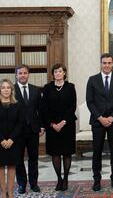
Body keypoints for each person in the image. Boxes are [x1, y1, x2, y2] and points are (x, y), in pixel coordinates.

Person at [86, 53, 113, 191]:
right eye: (104, 63)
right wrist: (100, 118)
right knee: (97, 151)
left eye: (109, 63)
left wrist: (112, 117)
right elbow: (89, 102)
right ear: (101, 64)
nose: (107, 65)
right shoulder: (92, 80)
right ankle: (97, 180)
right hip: (98, 122)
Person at [42, 63, 77, 191]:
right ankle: (59, 179)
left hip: (67, 125)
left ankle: (66, 178)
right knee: (55, 154)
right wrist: (52, 124)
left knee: (67, 153)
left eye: (60, 71)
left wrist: (63, 122)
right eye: (55, 71)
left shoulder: (70, 87)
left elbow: (72, 106)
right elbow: (44, 108)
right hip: (52, 126)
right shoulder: (47, 88)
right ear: (53, 74)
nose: (58, 73)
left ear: (64, 73)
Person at [0, 79, 23, 198]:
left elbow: (20, 123)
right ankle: (3, 192)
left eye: (8, 87)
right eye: (3, 87)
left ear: (11, 90)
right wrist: (1, 140)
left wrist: (11, 139)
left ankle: (11, 192)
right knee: (0, 166)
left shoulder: (17, 105)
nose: (6, 89)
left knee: (12, 166)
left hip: (14, 141)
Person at [14, 64, 44, 194]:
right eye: (20, 73)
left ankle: (34, 183)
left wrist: (42, 126)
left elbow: (40, 110)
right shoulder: (11, 90)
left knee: (34, 158)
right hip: (17, 131)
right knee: (18, 159)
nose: (22, 75)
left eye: (25, 73)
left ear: (28, 74)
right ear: (16, 75)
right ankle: (21, 184)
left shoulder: (36, 90)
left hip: (33, 130)